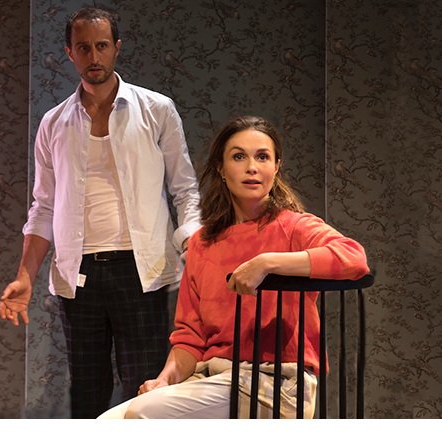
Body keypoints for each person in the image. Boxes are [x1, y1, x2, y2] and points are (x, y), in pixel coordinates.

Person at [0, 8, 201, 418]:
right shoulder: (53, 123)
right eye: (84, 48)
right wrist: (24, 276)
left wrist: (196, 251)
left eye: (102, 46)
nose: (94, 56)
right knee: (87, 395)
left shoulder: (156, 109)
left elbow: (184, 190)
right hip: (79, 274)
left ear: (117, 48)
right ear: (69, 52)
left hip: (142, 270)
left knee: (145, 391)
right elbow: (43, 206)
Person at [98, 115, 370, 419]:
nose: (252, 167)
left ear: (276, 167)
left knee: (142, 414)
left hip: (275, 383)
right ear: (221, 168)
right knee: (106, 421)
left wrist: (267, 263)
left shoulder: (294, 227)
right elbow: (190, 338)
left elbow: (353, 257)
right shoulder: (203, 243)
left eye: (262, 157)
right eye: (239, 157)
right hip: (212, 378)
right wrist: (165, 380)